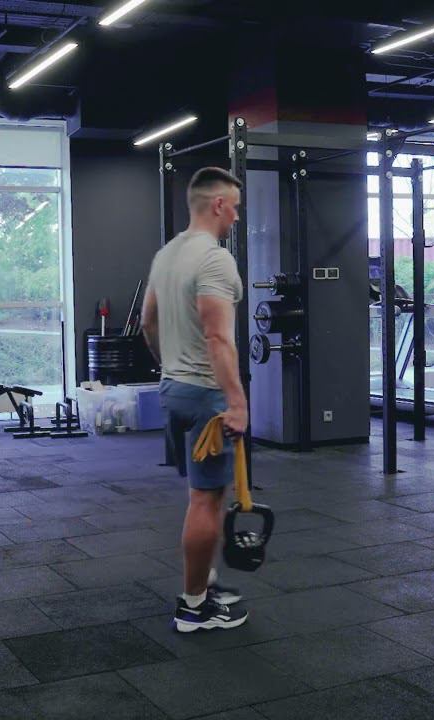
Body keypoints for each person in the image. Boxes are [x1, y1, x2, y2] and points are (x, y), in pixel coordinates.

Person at [141, 166, 250, 633]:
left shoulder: (166, 254)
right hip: (207, 395)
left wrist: (169, 365)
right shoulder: (215, 259)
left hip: (174, 389)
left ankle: (203, 579)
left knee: (198, 496)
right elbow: (218, 338)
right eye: (236, 208)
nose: (237, 217)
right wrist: (237, 403)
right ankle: (193, 607)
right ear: (218, 204)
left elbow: (148, 322)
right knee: (207, 501)